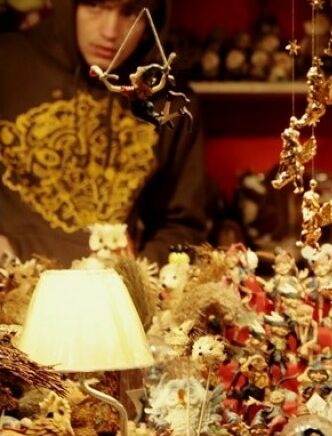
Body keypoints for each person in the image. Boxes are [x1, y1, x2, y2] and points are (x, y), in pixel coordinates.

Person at [0, 0, 207, 265]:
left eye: (129, 13)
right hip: (12, 280)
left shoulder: (169, 102)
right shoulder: (9, 63)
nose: (110, 32)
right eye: (95, 5)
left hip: (114, 283)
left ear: (151, 20)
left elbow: (181, 228)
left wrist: (136, 273)